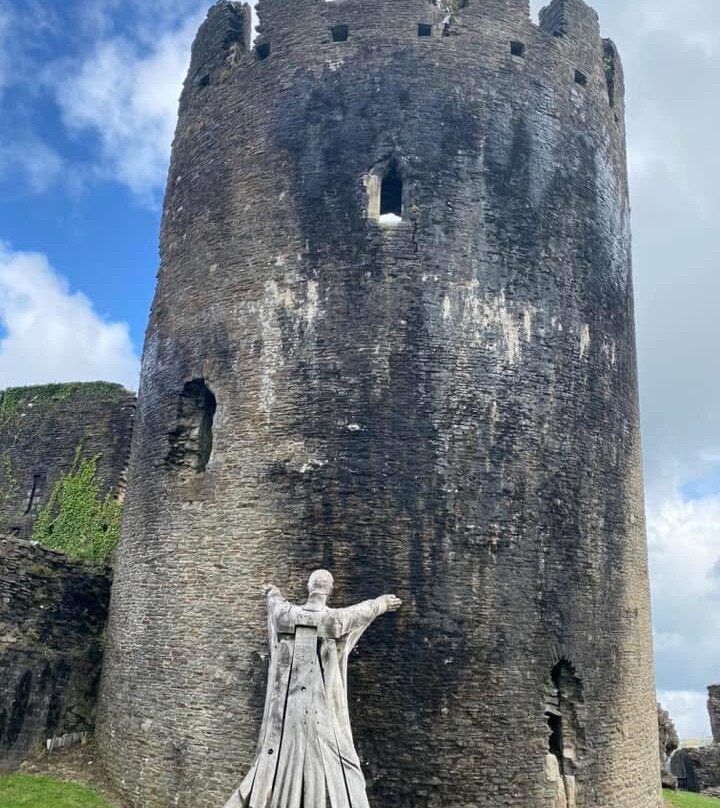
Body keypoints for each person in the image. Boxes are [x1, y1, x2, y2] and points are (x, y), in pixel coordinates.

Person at [223, 570, 401, 808]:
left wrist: (272, 591)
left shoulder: (286, 615)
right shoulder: (334, 620)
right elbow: (359, 612)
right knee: (335, 757)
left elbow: (276, 604)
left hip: (289, 707)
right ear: (329, 589)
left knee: (289, 756)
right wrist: (381, 603)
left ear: (309, 587)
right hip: (322, 708)